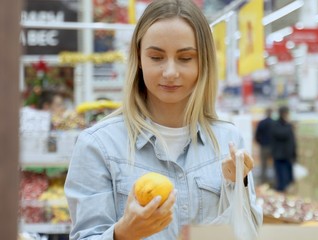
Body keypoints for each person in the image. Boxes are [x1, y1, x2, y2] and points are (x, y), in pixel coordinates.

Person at [64, 0, 262, 239]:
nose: (170, 72)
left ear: (204, 62)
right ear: (139, 59)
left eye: (186, 58)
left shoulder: (228, 140)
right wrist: (122, 233)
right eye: (157, 57)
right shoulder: (99, 145)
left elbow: (247, 231)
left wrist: (236, 186)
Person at [271, 106, 297, 192]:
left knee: (289, 175)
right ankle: (281, 191)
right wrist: (289, 126)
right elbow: (280, 134)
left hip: (288, 154)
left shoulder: (287, 125)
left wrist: (294, 153)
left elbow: (292, 140)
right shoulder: (277, 124)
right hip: (279, 154)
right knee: (280, 175)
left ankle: (287, 189)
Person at [254, 107, 274, 184]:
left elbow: (257, 135)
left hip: (263, 147)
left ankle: (263, 182)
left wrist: (260, 142)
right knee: (274, 165)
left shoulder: (261, 123)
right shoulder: (274, 123)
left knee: (263, 165)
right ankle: (274, 182)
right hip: (273, 147)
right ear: (271, 113)